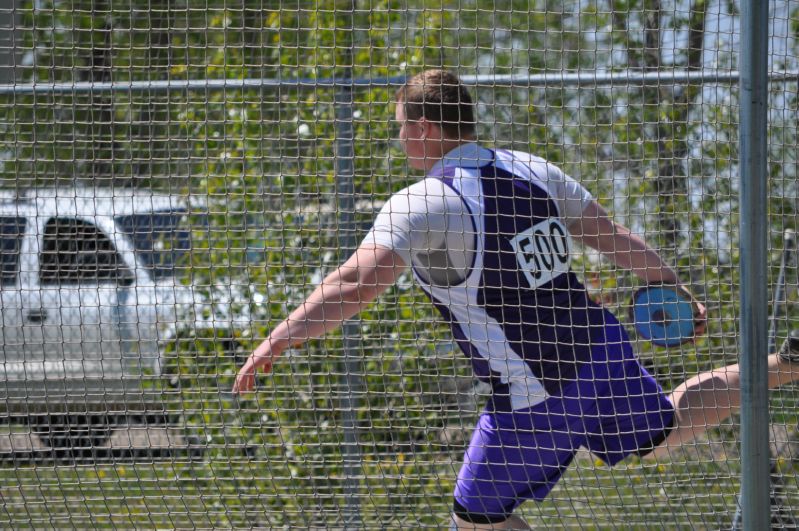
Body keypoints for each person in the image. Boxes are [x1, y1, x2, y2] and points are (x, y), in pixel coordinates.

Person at [234, 69, 799, 530]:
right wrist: (675, 286)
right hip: (603, 352)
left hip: (537, 389)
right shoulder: (534, 167)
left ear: (426, 129)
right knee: (666, 429)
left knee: (475, 522)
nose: (398, 138)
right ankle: (786, 364)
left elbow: (354, 284)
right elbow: (613, 237)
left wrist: (278, 336)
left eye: (401, 126)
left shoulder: (423, 201)